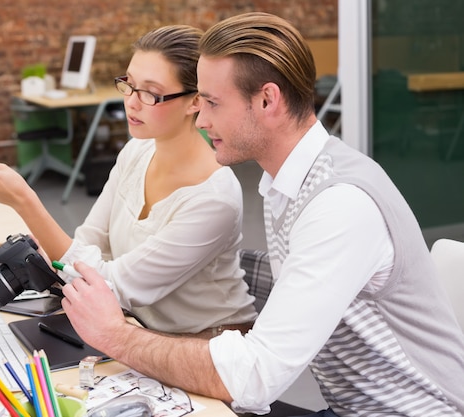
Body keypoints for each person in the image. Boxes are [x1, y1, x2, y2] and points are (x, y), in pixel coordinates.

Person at [61, 12, 464, 416]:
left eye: (213, 103)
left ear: (268, 100)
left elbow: (254, 379)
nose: (201, 119)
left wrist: (117, 336)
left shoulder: (340, 204)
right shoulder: (287, 183)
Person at [0, 25, 257, 335]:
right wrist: (52, 257)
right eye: (129, 84)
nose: (132, 102)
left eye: (150, 93)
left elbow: (112, 286)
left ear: (195, 101)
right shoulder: (136, 151)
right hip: (137, 327)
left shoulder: (213, 199)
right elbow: (90, 240)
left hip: (206, 344)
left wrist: (25, 201)